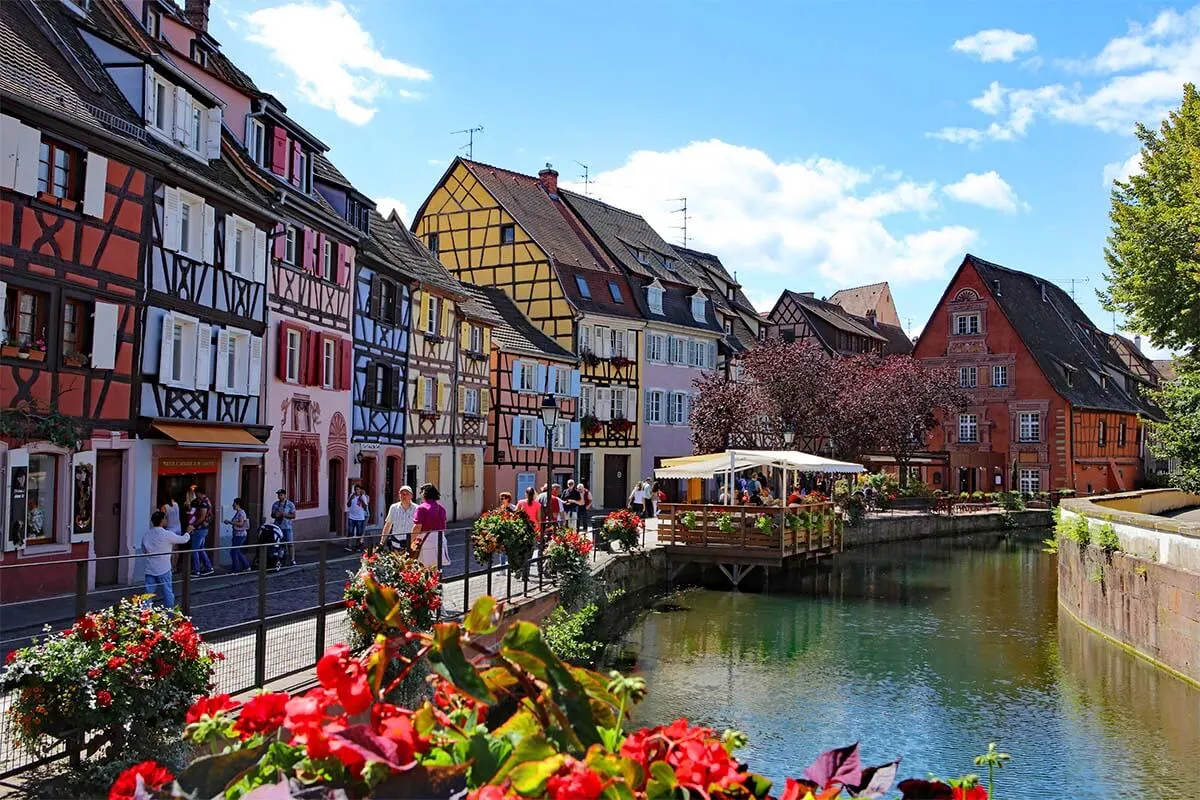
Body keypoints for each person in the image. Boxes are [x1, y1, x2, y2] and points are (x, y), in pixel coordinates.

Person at [142, 511, 190, 607]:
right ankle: (169, 613)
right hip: (164, 568)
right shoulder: (167, 534)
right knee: (167, 592)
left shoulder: (147, 534)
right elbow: (183, 540)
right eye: (165, 518)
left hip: (150, 568)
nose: (166, 520)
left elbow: (144, 550)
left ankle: (146, 615)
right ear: (162, 521)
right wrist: (188, 532)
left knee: (147, 594)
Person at [411, 484, 451, 569]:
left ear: (424, 494)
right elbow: (444, 526)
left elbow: (417, 527)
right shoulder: (441, 508)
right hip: (440, 539)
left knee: (424, 568)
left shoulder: (422, 508)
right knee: (436, 568)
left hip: (426, 541)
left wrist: (410, 541)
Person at [186, 488, 214, 576]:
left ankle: (196, 570)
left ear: (199, 493)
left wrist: (193, 525)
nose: (196, 496)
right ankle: (208, 567)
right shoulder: (207, 501)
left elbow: (202, 517)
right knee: (201, 549)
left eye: (196, 494)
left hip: (200, 529)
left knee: (195, 549)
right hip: (204, 528)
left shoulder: (204, 503)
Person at [381, 486, 417, 552]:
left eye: (407, 494)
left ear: (411, 496)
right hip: (396, 544)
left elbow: (419, 527)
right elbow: (388, 525)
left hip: (411, 546)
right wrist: (382, 542)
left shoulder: (417, 509)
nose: (404, 496)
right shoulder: (393, 507)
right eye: (402, 494)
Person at [270, 488, 298, 567]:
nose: (279, 496)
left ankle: (292, 560)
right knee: (280, 544)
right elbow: (272, 515)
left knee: (290, 543)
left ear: (285, 495)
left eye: (281, 495)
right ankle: (281, 559)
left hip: (287, 526)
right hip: (278, 527)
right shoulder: (275, 504)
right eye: (278, 495)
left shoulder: (290, 504)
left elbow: (293, 515)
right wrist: (276, 514)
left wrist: (284, 514)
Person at [224, 497, 252, 573]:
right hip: (238, 534)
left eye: (234, 503)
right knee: (237, 551)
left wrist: (230, 522)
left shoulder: (241, 513)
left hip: (240, 535)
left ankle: (235, 570)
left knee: (234, 552)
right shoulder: (238, 512)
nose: (233, 505)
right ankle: (247, 566)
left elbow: (241, 523)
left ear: (238, 504)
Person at [345, 483, 370, 552]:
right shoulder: (351, 496)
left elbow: (365, 507)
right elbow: (348, 505)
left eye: (358, 490)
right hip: (352, 516)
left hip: (360, 517)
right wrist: (350, 498)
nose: (356, 491)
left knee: (359, 532)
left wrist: (361, 500)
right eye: (355, 490)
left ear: (360, 490)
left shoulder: (363, 497)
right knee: (350, 532)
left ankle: (357, 545)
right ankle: (348, 545)